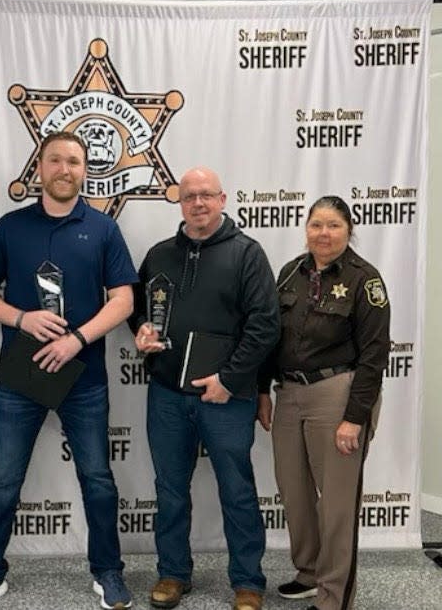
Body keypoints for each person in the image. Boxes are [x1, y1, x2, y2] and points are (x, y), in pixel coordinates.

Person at [0, 131, 139, 610]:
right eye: (55, 159)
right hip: (23, 374)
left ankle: (108, 571)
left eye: (74, 161)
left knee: (98, 478)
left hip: (84, 374)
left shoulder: (103, 229)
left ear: (84, 170)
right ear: (39, 167)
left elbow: (123, 299)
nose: (64, 169)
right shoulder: (11, 226)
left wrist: (77, 338)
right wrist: (21, 317)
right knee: (3, 480)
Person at [129, 166, 279, 610]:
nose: (198, 203)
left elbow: (265, 325)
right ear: (179, 201)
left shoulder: (248, 254)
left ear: (223, 199)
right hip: (168, 394)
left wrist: (229, 380)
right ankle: (173, 573)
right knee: (170, 489)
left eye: (206, 195)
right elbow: (136, 308)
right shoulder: (158, 254)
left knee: (237, 489)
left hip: (227, 398)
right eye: (190, 195)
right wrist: (139, 330)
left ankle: (248, 582)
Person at [257, 195, 390, 610]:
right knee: (294, 493)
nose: (323, 233)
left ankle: (335, 594)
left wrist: (355, 418)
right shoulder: (289, 273)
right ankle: (309, 572)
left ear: (349, 229)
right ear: (305, 228)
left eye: (333, 225)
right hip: (289, 393)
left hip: (338, 395)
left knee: (334, 502)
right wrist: (263, 389)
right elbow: (269, 337)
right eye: (316, 224)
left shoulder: (364, 280)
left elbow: (374, 356)